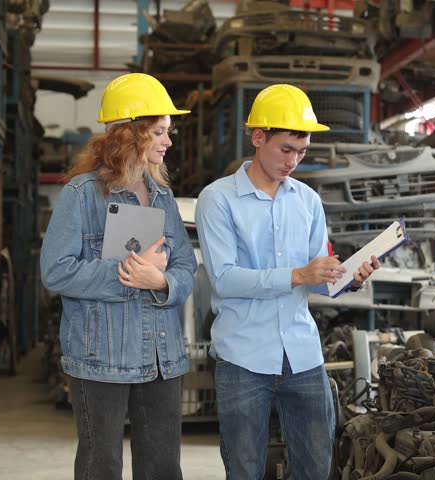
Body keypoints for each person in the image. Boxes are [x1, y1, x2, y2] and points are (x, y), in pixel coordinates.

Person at [196, 84, 380, 479]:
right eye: (286, 149)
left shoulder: (308, 201)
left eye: (302, 151)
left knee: (315, 468)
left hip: (302, 356)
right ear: (258, 138)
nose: (293, 161)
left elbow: (318, 281)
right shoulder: (218, 200)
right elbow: (225, 279)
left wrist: (349, 279)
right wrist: (299, 274)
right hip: (243, 357)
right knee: (244, 469)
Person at [40, 73, 197, 480]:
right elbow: (56, 271)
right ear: (130, 134)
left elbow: (185, 267)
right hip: (100, 357)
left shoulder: (162, 197)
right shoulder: (81, 195)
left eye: (168, 132)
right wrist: (128, 273)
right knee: (100, 466)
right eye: (160, 132)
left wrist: (161, 283)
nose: (168, 141)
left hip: (162, 358)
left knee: (163, 467)